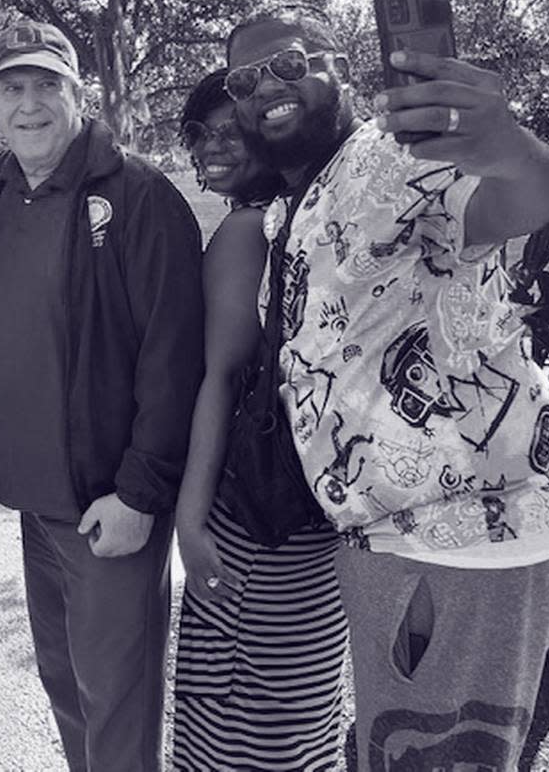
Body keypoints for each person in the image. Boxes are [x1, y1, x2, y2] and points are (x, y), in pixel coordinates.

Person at [224, 9, 549, 769]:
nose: (266, 88)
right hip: (399, 535)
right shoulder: (301, 195)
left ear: (341, 69)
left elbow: (520, 195)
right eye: (244, 80)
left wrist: (511, 149)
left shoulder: (397, 155)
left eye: (288, 64)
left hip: (464, 533)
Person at [0, 19, 204, 772]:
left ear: (78, 93)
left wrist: (140, 492)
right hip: (35, 505)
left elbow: (175, 355)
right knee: (66, 685)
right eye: (11, 88)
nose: (27, 104)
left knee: (117, 699)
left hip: (109, 502)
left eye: (45, 85)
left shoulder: (137, 194)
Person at [171, 70, 348, 771]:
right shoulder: (306, 212)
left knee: (243, 717)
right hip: (310, 512)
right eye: (200, 133)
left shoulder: (249, 230)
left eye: (230, 131)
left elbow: (221, 379)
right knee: (301, 710)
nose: (214, 147)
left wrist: (189, 520)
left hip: (253, 519)